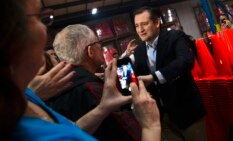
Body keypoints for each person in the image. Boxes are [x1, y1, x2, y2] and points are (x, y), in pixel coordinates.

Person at [0, 0, 161, 140]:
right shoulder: (89, 88)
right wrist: (150, 126)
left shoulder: (28, 94)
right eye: (39, 18)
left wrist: (103, 107)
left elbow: (73, 126)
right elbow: (129, 133)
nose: (45, 28)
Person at [47, 24, 141, 141]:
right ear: (90, 51)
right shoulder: (90, 87)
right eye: (98, 44)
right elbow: (128, 133)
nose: (101, 48)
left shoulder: (53, 88)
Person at [131, 6, 206, 141]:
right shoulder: (139, 50)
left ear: (157, 22)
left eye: (144, 24)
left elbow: (186, 60)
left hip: (187, 111)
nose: (140, 30)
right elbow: (139, 78)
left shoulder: (174, 37)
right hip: (162, 118)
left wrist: (155, 77)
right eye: (137, 26)